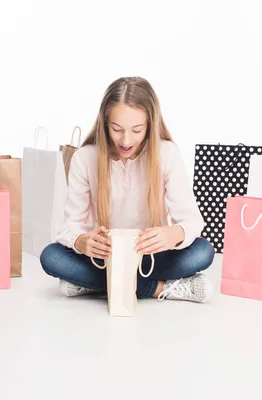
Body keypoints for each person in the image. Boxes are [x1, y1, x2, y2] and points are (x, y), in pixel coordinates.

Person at [40, 76, 215, 303]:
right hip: (104, 259)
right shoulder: (85, 158)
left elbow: (192, 220)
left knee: (203, 252)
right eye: (116, 129)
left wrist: (174, 234)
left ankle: (97, 284)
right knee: (51, 257)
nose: (125, 140)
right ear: (105, 124)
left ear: (150, 125)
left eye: (137, 130)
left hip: (151, 258)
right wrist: (82, 241)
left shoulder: (167, 153)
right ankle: (158, 288)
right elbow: (69, 226)